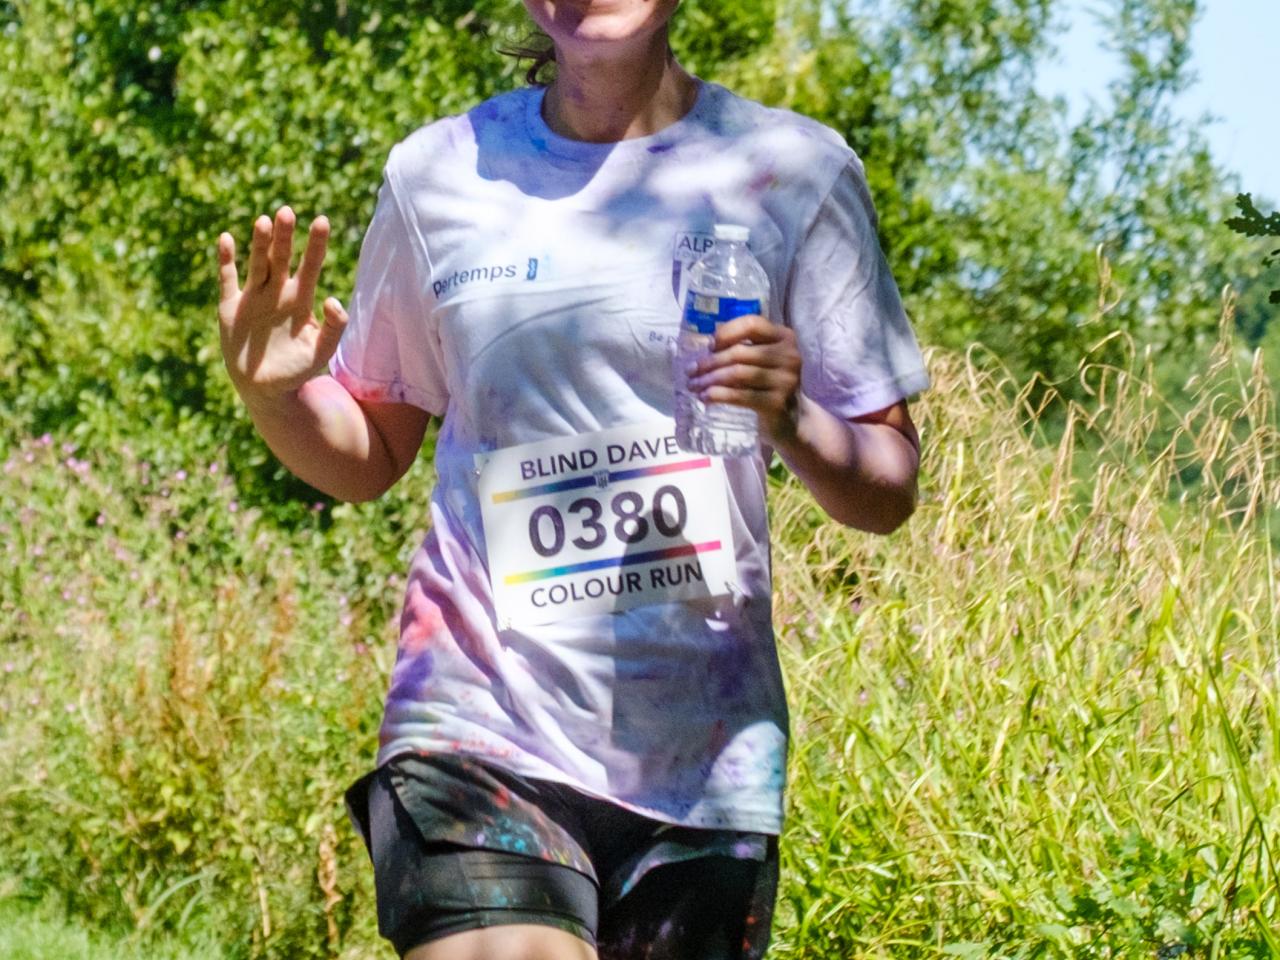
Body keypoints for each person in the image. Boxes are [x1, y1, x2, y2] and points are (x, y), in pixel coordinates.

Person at [216, 2, 929, 957]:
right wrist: (276, 395)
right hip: (477, 717)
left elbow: (888, 487)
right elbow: (369, 454)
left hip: (705, 758)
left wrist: (791, 415)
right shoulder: (439, 175)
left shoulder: (794, 172)